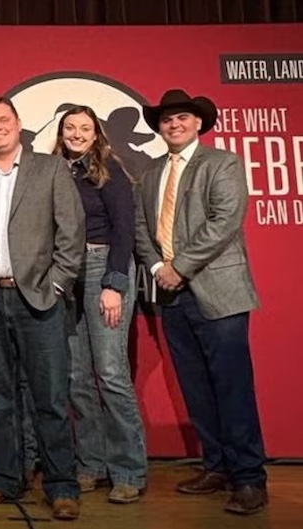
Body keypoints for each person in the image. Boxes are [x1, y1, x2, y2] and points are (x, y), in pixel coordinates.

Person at [135, 89, 267, 515]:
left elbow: (224, 221)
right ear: (159, 127)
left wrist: (180, 266)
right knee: (195, 387)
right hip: (171, 295)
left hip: (220, 293)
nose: (174, 125)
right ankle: (216, 467)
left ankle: (249, 478)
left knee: (232, 387)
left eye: (182, 118)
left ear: (198, 124)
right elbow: (141, 230)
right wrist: (159, 269)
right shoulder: (150, 174)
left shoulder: (223, 163)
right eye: (167, 120)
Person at [0, 96, 85, 520]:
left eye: (3, 120)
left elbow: (71, 234)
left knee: (50, 398)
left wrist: (58, 284)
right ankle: (3, 479)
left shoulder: (50, 169)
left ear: (17, 123)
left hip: (40, 300)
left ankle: (61, 486)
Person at [53, 105, 147, 503]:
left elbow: (125, 230)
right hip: (66, 273)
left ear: (96, 135)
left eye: (84, 128)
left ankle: (128, 470)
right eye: (70, 127)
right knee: (76, 377)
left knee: (110, 372)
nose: (76, 134)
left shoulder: (109, 172)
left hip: (102, 265)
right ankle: (91, 464)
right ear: (61, 133)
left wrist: (114, 284)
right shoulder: (54, 171)